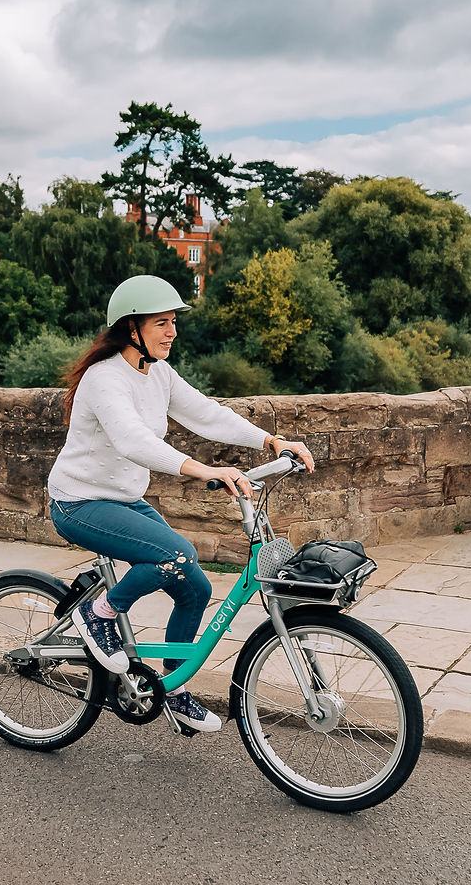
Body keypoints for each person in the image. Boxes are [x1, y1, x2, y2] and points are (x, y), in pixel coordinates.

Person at [45, 275, 314, 735]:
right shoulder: (105, 377)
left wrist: (271, 440)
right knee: (175, 554)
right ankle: (99, 614)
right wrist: (204, 470)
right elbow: (131, 440)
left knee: (196, 589)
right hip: (79, 502)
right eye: (161, 323)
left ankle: (172, 687)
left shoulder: (159, 373)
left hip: (125, 500)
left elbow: (207, 413)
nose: (172, 332)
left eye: (173, 322)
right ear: (132, 328)